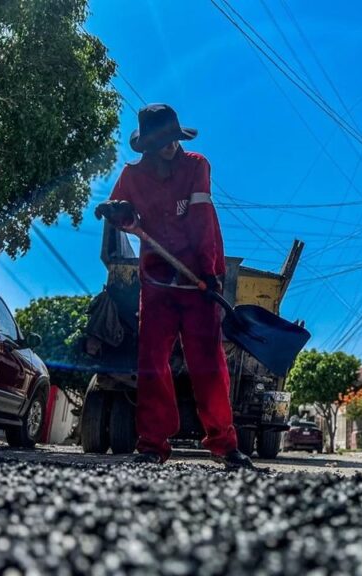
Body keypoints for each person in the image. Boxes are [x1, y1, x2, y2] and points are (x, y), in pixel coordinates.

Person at [95, 103, 252, 468]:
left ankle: (225, 445)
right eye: (162, 140)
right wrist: (118, 215)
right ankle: (151, 444)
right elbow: (125, 215)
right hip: (157, 282)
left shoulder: (196, 166)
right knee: (151, 361)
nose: (170, 146)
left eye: (173, 138)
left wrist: (211, 273)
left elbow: (202, 218)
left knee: (208, 363)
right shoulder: (132, 176)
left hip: (198, 279)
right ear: (148, 144)